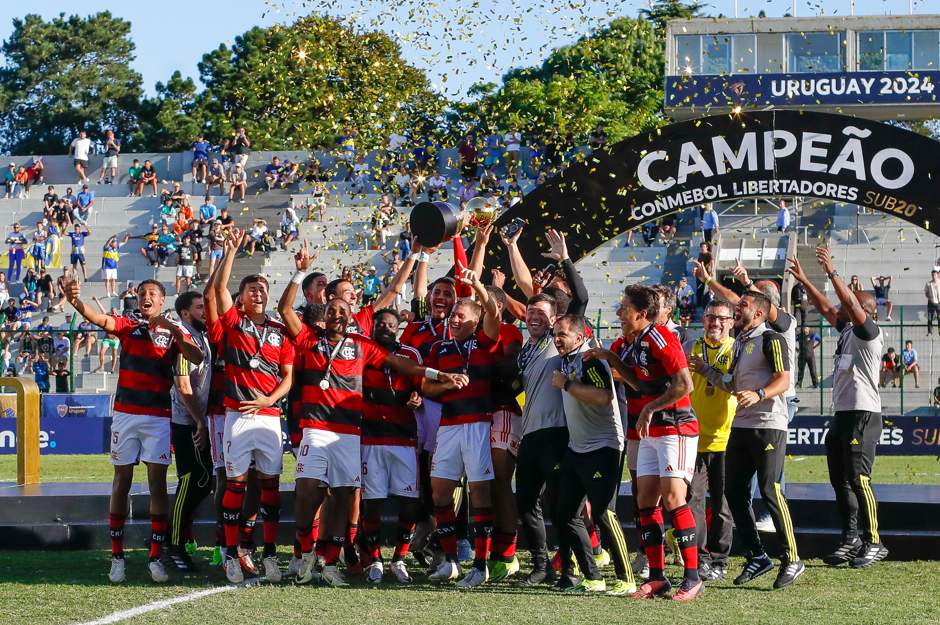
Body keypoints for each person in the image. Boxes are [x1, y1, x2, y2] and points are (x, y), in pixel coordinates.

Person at [280, 242, 459, 587]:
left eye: (343, 312)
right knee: (306, 491)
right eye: (332, 310)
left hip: (350, 433)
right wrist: (300, 271)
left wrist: (437, 376)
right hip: (316, 428)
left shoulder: (362, 345)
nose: (337, 315)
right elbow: (285, 308)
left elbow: (401, 363)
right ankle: (304, 551)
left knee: (345, 496)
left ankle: (330, 561)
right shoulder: (308, 339)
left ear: (351, 318)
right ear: (323, 313)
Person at [62, 274, 203, 584]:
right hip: (125, 414)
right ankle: (117, 557)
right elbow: (97, 317)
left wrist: (174, 332)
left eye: (152, 292)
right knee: (121, 481)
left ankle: (155, 557)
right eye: (141, 293)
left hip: (157, 417)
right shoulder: (129, 326)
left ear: (162, 300)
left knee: (156, 484)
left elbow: (198, 356)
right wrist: (74, 301)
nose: (145, 297)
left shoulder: (175, 331)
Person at [591, 285, 700, 600]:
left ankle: (693, 578)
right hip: (650, 430)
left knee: (673, 498)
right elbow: (640, 382)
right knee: (644, 500)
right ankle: (657, 577)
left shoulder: (662, 339)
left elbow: (685, 383)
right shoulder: (636, 342)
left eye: (624, 306)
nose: (620, 311)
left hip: (675, 427)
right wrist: (609, 355)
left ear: (641, 313)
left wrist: (650, 409)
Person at [691, 290, 803, 589]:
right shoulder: (741, 342)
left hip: (768, 425)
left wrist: (760, 394)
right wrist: (705, 370)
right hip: (740, 425)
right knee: (734, 493)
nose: (737, 307)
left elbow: (784, 379)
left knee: (769, 490)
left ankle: (792, 558)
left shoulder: (771, 339)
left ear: (758, 313)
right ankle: (757, 556)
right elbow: (731, 384)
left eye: (743, 304)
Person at [788, 246, 889, 569]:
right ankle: (851, 538)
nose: (844, 308)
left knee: (860, 479)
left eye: (854, 303)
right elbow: (829, 306)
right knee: (841, 481)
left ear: (864, 310)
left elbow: (845, 303)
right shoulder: (847, 331)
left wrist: (832, 272)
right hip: (843, 414)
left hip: (864, 414)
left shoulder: (869, 332)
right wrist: (805, 279)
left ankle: (875, 541)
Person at [207, 228, 293, 584]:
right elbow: (217, 290)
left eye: (262, 289)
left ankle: (270, 555)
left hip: (270, 415)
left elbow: (288, 376)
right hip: (237, 415)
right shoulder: (234, 323)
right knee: (236, 484)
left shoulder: (279, 330)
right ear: (241, 298)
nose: (258, 293)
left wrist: (270, 400)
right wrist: (230, 253)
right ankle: (230, 555)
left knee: (271, 487)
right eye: (251, 290)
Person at [422, 267, 500, 588]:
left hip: (478, 426)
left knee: (479, 496)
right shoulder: (439, 349)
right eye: (452, 314)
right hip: (449, 426)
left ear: (475, 319)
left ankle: (480, 566)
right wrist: (445, 381)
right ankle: (451, 561)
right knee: (440, 493)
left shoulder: (485, 341)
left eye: (460, 313)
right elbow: (426, 389)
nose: (453, 318)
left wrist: (478, 287)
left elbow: (494, 313)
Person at [683, 299, 736, 582]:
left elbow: (735, 383)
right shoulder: (691, 347)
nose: (715, 323)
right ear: (703, 320)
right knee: (694, 501)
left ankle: (720, 560)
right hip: (694, 439)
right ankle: (699, 558)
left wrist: (706, 370)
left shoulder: (736, 350)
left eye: (721, 318)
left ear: (731, 322)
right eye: (710, 318)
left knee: (724, 505)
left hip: (726, 439)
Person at [162, 291, 214, 570]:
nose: (205, 310)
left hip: (199, 421)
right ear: (184, 313)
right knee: (190, 479)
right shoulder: (183, 337)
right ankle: (172, 546)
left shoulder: (202, 335)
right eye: (199, 307)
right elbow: (184, 386)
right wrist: (200, 421)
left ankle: (174, 536)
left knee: (205, 481)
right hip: (187, 422)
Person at [91, 297, 121, 374]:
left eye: (114, 310)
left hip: (115, 339)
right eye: (112, 310)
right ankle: (102, 367)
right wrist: (97, 300)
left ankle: (112, 369)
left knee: (114, 354)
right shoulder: (108, 316)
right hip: (107, 338)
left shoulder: (119, 318)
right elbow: (102, 310)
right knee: (102, 352)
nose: (113, 311)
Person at [103, 233, 132, 298]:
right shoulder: (107, 248)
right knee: (107, 279)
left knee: (113, 279)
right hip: (107, 266)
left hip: (114, 266)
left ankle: (113, 291)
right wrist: (112, 237)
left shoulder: (116, 248)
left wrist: (126, 236)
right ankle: (108, 292)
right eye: (114, 242)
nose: (116, 244)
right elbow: (107, 243)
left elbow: (123, 242)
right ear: (111, 243)